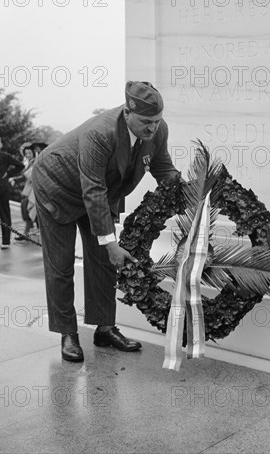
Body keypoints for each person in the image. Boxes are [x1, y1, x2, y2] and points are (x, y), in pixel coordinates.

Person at [32, 81, 181, 362]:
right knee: (61, 264)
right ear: (127, 112)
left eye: (157, 121)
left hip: (98, 193)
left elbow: (163, 168)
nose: (152, 128)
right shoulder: (99, 133)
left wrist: (191, 199)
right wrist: (110, 241)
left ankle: (104, 328)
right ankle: (68, 333)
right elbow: (93, 189)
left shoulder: (158, 130)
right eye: (147, 122)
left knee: (104, 261)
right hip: (58, 188)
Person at [11, 144, 37, 241]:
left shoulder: (35, 163)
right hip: (28, 190)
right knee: (27, 211)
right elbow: (24, 176)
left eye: (29, 153)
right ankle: (27, 233)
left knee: (30, 210)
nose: (28, 155)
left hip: (33, 191)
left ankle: (27, 233)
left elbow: (28, 176)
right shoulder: (29, 163)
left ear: (33, 153)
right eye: (26, 153)